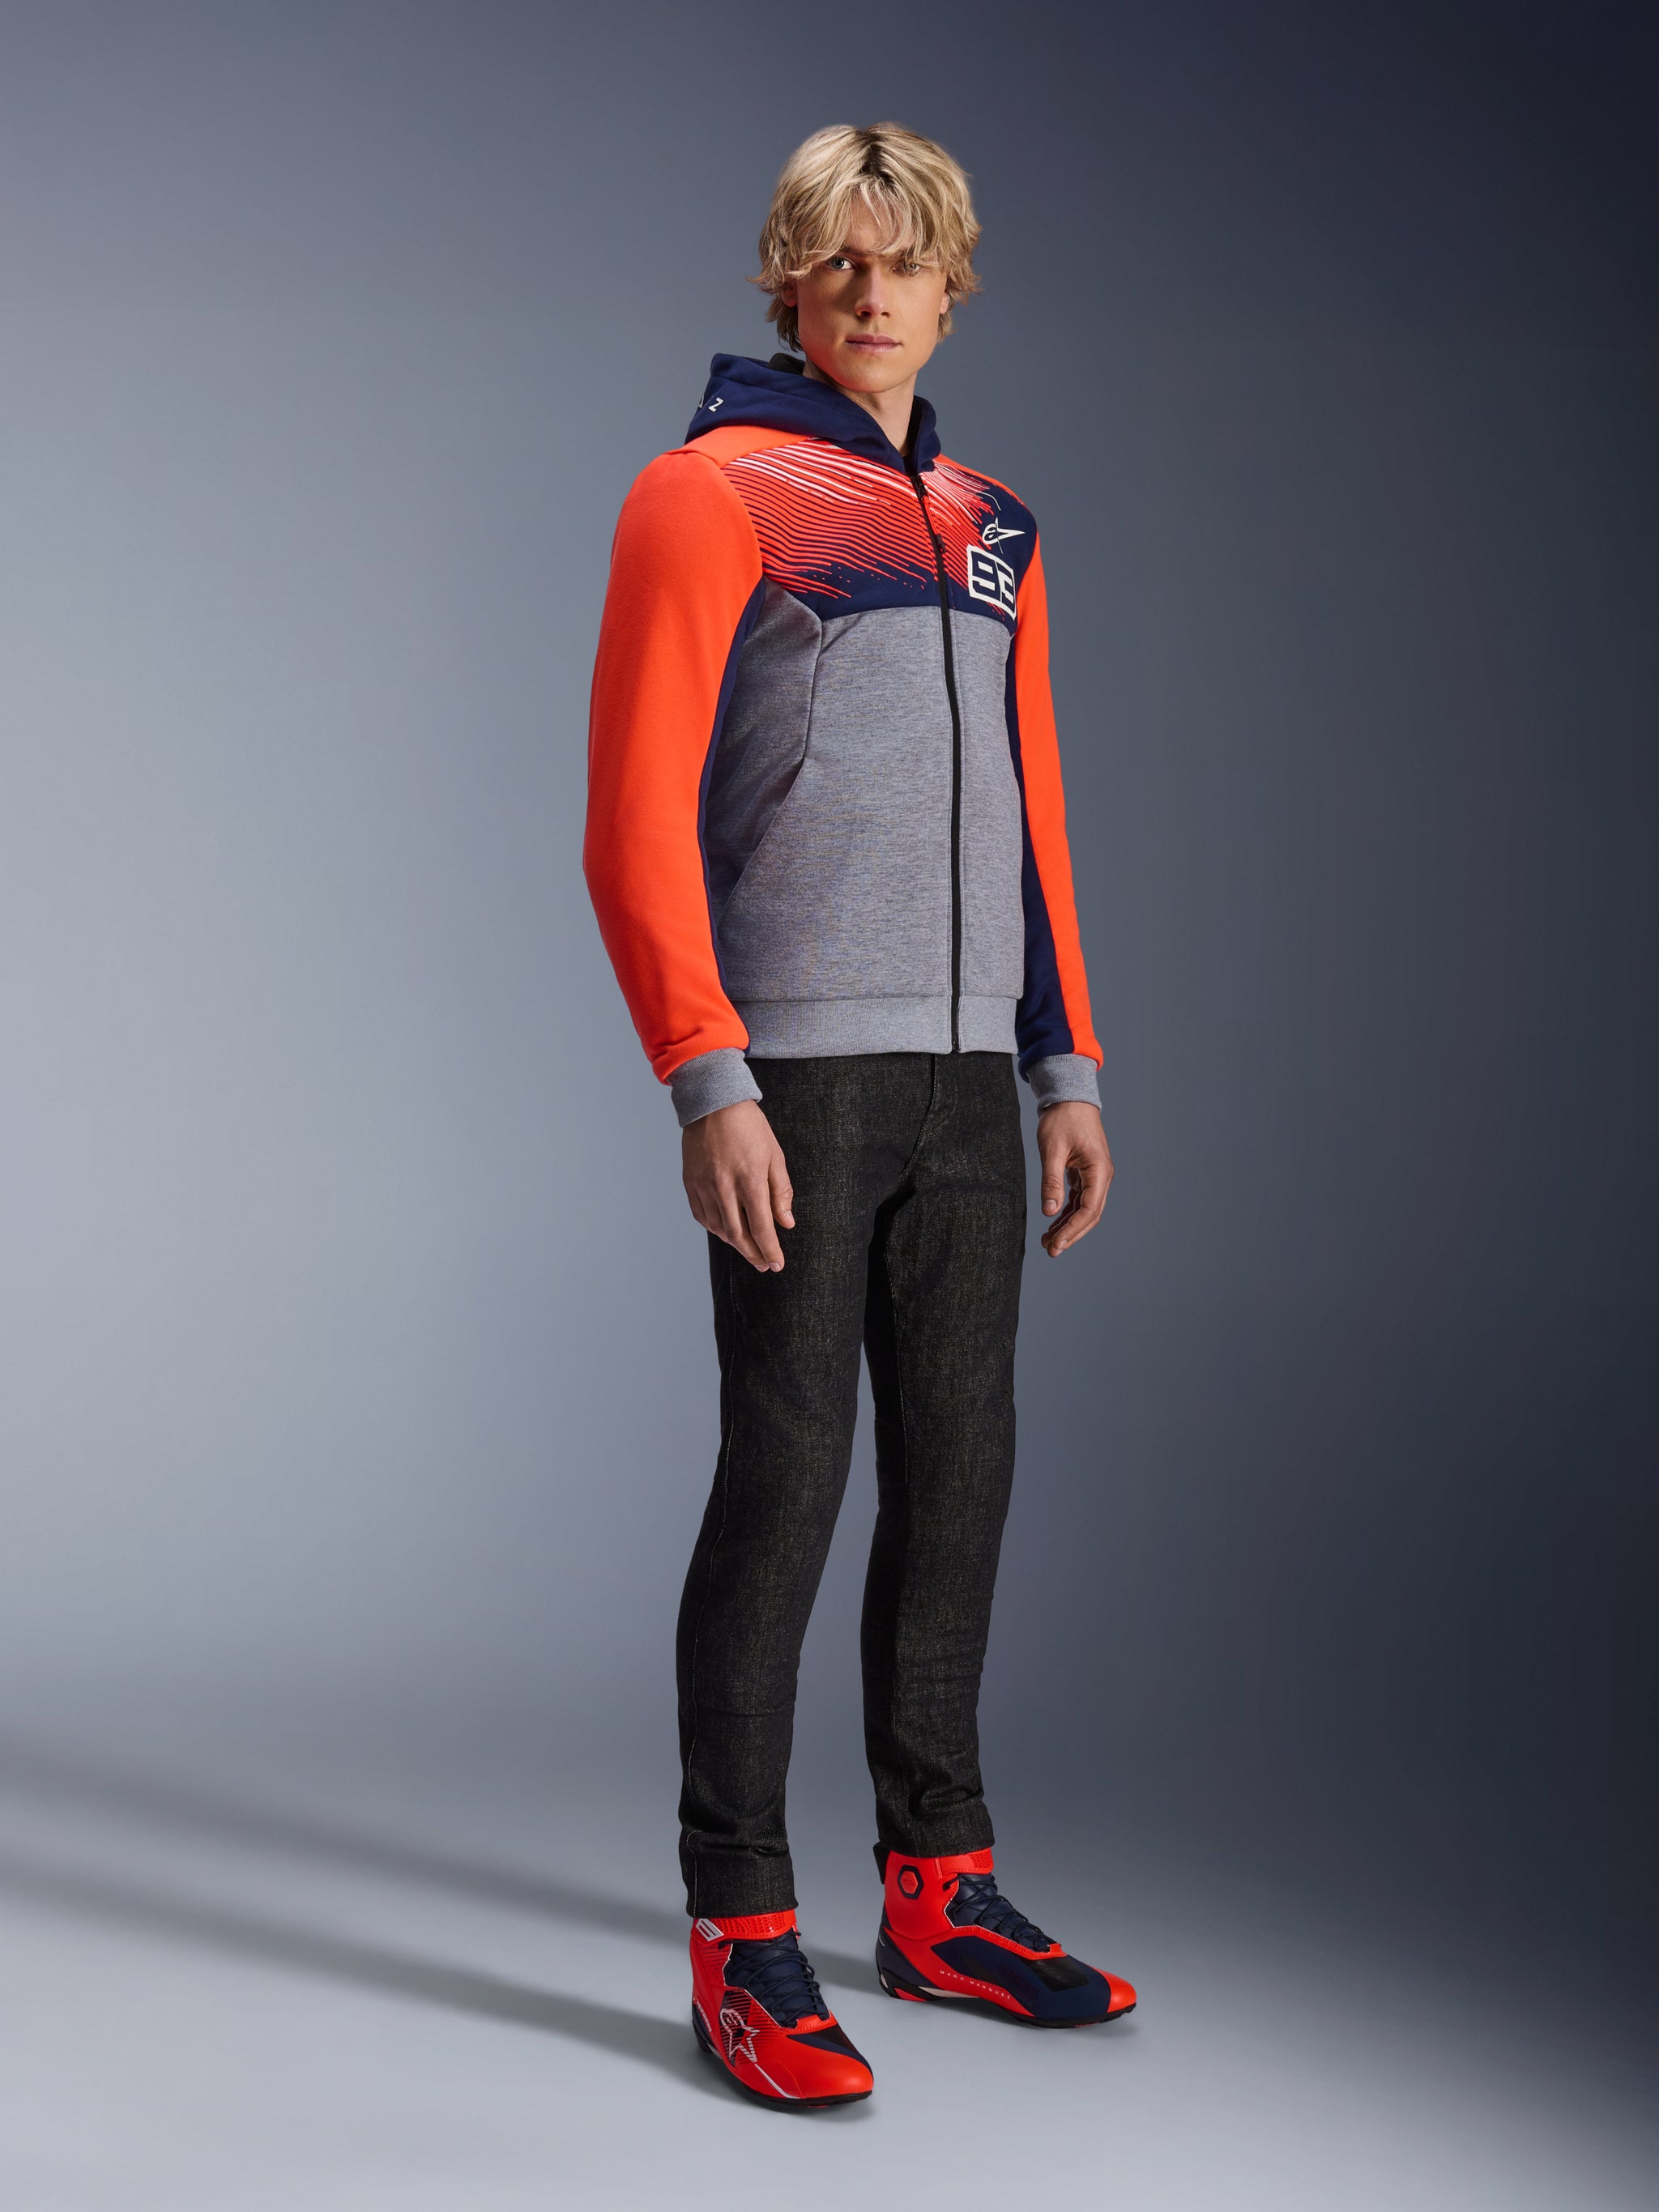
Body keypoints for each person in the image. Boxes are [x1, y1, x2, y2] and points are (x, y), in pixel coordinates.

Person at [583, 121, 1136, 2109]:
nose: (871, 290)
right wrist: (704, 1074)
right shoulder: (711, 489)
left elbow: (1036, 814)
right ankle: (741, 1928)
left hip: (975, 1081)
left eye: (903, 260)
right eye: (836, 260)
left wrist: (1063, 1063)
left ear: (951, 286)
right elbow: (630, 817)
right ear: (788, 283)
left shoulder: (996, 529)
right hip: (800, 1076)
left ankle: (939, 1889)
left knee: (961, 1476)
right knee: (790, 1478)